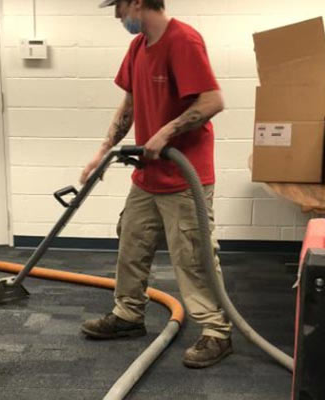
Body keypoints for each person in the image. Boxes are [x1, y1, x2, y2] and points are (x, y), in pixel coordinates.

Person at [80, 0, 232, 368]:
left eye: (119, 9)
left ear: (136, 3)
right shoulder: (137, 47)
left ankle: (217, 331)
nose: (119, 18)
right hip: (147, 175)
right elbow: (129, 105)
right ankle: (128, 316)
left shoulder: (183, 40)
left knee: (192, 255)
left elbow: (213, 100)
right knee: (131, 242)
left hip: (184, 177)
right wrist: (103, 150)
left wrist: (166, 131)